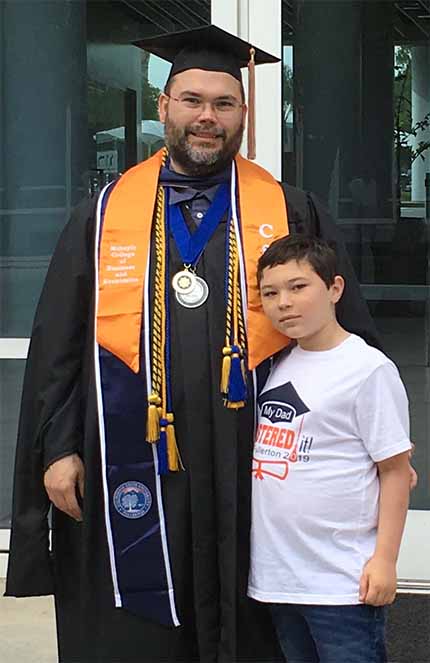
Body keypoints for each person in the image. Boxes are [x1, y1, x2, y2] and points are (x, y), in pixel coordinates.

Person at [6, 24, 382, 663]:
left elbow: (345, 339)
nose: (207, 118)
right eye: (192, 100)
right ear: (164, 107)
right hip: (133, 453)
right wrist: (59, 447)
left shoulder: (291, 212)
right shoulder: (101, 216)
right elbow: (58, 349)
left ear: (243, 112)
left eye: (223, 103)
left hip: (257, 461)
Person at [249, 235, 412, 663]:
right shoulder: (277, 366)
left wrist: (385, 561)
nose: (284, 302)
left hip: (343, 582)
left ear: (335, 289)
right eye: (270, 292)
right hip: (279, 579)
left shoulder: (368, 369)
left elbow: (396, 471)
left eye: (299, 287)